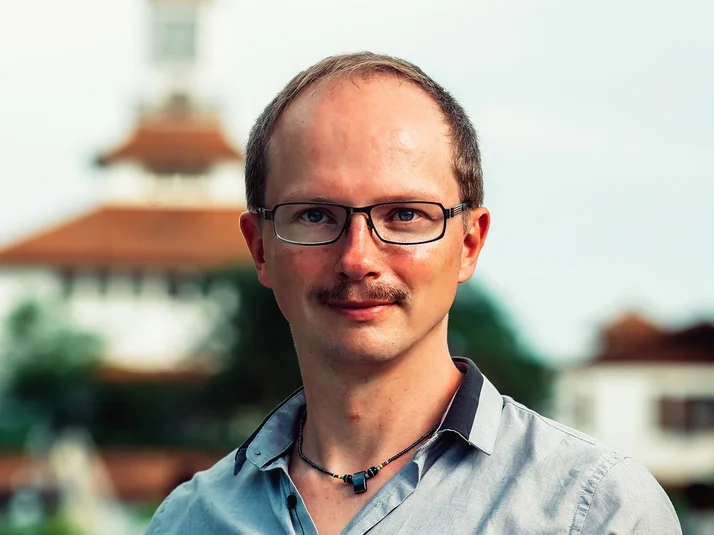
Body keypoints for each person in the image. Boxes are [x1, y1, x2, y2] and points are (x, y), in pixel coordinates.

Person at [146, 52, 682, 534]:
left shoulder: (594, 512)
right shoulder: (189, 520)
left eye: (404, 215)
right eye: (314, 214)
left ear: (469, 243)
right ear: (260, 248)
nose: (357, 258)